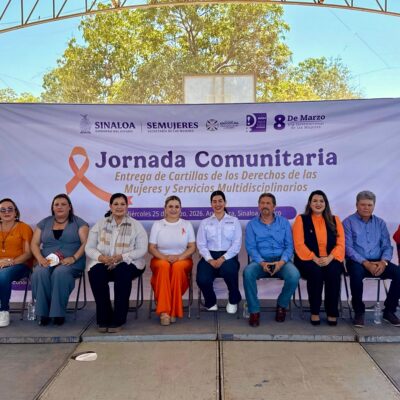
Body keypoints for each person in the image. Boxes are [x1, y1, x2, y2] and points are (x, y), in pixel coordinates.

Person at [85, 193, 148, 333]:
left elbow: (142, 249)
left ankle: (118, 319)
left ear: (127, 206)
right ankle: (104, 317)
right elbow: (89, 247)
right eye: (116, 204)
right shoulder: (100, 224)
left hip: (129, 262)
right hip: (104, 261)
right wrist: (101, 257)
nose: (119, 207)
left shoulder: (136, 225)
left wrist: (122, 257)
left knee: (122, 271)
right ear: (110, 206)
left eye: (122, 204)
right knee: (96, 272)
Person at [343, 190, 400, 327]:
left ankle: (389, 311)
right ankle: (359, 312)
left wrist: (384, 262)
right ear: (357, 205)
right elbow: (348, 248)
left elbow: (387, 246)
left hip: (379, 261)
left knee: (399, 273)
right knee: (356, 275)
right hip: (357, 261)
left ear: (374, 206)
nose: (366, 208)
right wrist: (366, 263)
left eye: (369, 205)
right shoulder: (348, 222)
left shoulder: (380, 223)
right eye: (363, 204)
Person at [31, 194, 89, 326]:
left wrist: (73, 258)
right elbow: (34, 243)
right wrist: (40, 258)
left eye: (63, 204)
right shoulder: (44, 223)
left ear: (70, 207)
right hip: (47, 261)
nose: (60, 207)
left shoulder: (79, 223)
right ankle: (43, 313)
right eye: (56, 204)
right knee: (40, 272)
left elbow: (86, 243)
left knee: (60, 272)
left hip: (72, 261)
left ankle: (58, 313)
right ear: (52, 207)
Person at [243, 193, 300, 327]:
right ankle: (254, 311)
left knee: (294, 275)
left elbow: (289, 246)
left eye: (268, 203)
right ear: (258, 206)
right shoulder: (251, 225)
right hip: (260, 262)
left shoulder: (284, 222)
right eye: (262, 203)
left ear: (274, 206)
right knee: (248, 273)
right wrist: (262, 263)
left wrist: (281, 262)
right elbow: (251, 248)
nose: (265, 206)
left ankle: (281, 305)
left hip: (281, 261)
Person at [292, 190, 345, 326]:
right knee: (315, 272)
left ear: (325, 204)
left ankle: (332, 312)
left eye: (321, 201)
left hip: (331, 258)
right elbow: (299, 244)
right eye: (315, 201)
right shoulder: (301, 219)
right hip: (307, 259)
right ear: (309, 204)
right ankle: (314, 312)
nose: (318, 203)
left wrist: (330, 257)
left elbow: (340, 244)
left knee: (333, 272)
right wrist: (314, 257)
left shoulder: (335, 220)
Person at [149, 196, 196, 325]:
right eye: (170, 206)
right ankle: (165, 311)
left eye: (176, 207)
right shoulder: (157, 224)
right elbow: (151, 248)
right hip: (160, 259)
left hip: (182, 259)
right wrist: (164, 257)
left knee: (177, 267)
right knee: (164, 266)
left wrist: (178, 257)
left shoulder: (186, 224)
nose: (173, 209)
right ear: (165, 208)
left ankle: (173, 310)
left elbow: (192, 247)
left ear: (180, 209)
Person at [196, 190, 242, 314]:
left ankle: (233, 300)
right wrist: (210, 259)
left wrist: (222, 258)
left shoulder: (234, 221)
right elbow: (201, 244)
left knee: (229, 271)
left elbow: (236, 245)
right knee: (202, 279)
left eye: (220, 201)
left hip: (228, 256)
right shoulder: (205, 222)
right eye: (214, 201)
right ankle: (211, 302)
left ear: (225, 203)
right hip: (209, 256)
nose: (217, 204)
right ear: (211, 204)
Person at [0, 198, 33, 327]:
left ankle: (3, 311)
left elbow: (28, 254)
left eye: (10, 209)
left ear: (16, 212)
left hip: (19, 264)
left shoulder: (23, 228)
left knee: (3, 275)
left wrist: (10, 262)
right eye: (2, 210)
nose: (6, 212)